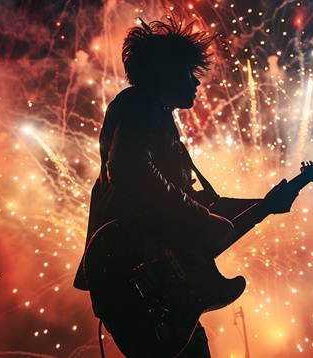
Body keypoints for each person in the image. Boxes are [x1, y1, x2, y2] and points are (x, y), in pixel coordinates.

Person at [73, 16, 280, 357]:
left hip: (144, 284)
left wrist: (265, 203)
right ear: (165, 72)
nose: (197, 83)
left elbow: (190, 202)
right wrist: (201, 218)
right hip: (137, 280)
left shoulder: (154, 115)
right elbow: (130, 168)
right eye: (189, 72)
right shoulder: (142, 105)